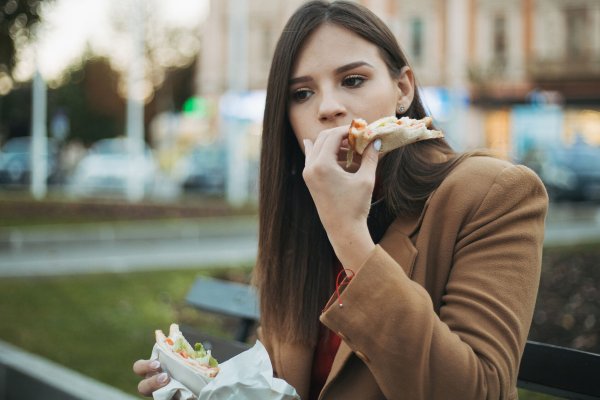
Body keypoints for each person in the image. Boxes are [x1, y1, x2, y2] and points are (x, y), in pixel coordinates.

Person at [133, 1, 548, 399]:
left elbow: (477, 392)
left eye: (353, 80)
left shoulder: (493, 193)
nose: (329, 108)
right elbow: (279, 383)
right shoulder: (299, 212)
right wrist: (205, 387)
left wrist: (348, 233)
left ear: (402, 89)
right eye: (301, 94)